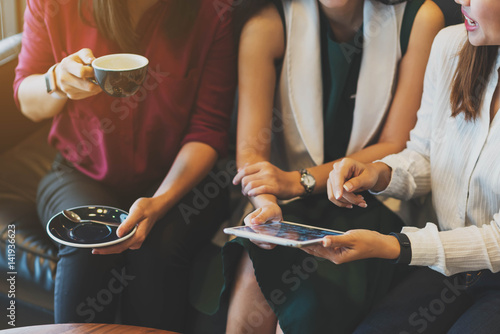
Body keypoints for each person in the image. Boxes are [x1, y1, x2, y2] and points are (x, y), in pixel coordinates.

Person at [222, 0, 444, 333]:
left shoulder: (421, 18)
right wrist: (266, 204)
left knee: (311, 301)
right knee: (254, 267)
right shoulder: (266, 23)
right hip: (284, 201)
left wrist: (300, 181)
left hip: (373, 198)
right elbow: (251, 152)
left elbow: (396, 145)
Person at [14, 0, 236, 331]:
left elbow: (207, 130)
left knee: (155, 249)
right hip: (80, 170)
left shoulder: (212, 12)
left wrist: (160, 203)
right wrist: (56, 81)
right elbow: (28, 103)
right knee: (88, 241)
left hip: (179, 178)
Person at [306, 0, 500, 332]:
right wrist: (379, 173)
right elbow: (424, 155)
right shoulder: (450, 45)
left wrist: (394, 245)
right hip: (449, 268)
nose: (460, 1)